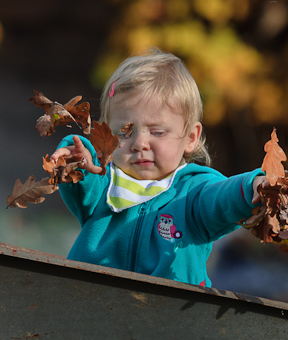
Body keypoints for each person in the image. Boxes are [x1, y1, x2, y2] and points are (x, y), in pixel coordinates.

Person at [50, 48, 266, 287]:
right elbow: (82, 180)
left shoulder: (192, 192)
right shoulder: (103, 185)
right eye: (124, 132)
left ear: (190, 137)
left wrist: (252, 187)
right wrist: (76, 159)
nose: (140, 143)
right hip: (92, 305)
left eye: (157, 132)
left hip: (168, 315)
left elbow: (220, 198)